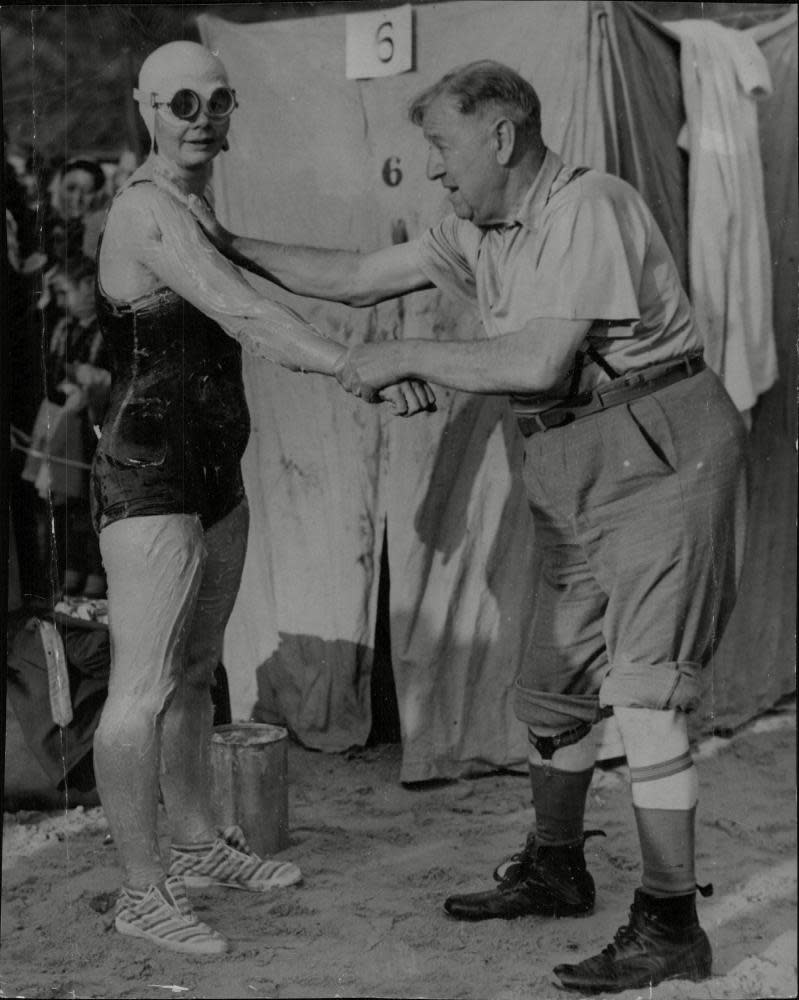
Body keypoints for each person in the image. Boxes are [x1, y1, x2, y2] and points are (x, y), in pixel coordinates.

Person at [189, 60, 749, 993]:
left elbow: (535, 360)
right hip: (572, 455)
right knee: (555, 683)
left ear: (501, 136)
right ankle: (558, 866)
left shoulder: (588, 207)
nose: (436, 172)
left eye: (443, 148)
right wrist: (227, 243)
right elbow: (362, 277)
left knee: (646, 698)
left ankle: (668, 923)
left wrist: (395, 357)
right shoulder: (484, 227)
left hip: (657, 451)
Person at [91, 40, 434, 957]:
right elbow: (239, 309)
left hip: (214, 469)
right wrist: (354, 365)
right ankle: (138, 890)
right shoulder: (141, 211)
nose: (200, 119)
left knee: (199, 670)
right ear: (145, 110)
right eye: (179, 104)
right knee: (145, 685)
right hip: (149, 474)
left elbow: (313, 276)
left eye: (217, 101)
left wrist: (414, 272)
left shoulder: (202, 210)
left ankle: (199, 843)